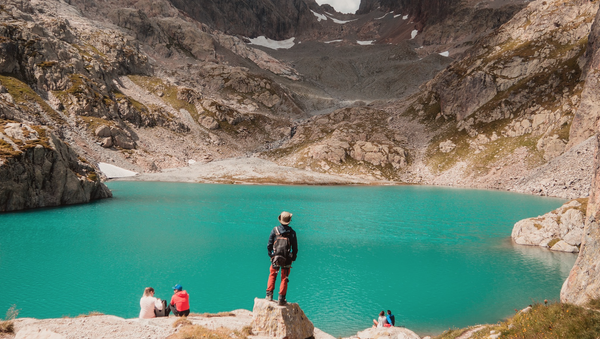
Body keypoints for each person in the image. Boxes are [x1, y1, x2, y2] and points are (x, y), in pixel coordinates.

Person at [266, 211, 298, 306]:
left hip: (275, 258)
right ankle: (281, 298)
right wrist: (293, 258)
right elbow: (295, 248)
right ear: (289, 221)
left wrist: (272, 256)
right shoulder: (292, 233)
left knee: (273, 274)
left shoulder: (275, 231)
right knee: (284, 278)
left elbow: (269, 245)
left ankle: (269, 295)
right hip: (287, 259)